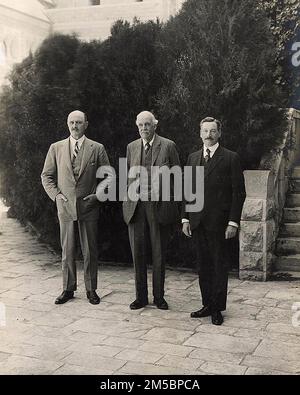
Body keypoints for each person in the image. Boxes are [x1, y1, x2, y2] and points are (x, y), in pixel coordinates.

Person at [41, 110, 111, 305]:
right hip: (65, 207)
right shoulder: (56, 148)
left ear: (86, 124)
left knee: (90, 250)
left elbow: (109, 175)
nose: (75, 126)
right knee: (68, 250)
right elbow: (46, 175)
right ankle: (68, 289)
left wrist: (97, 195)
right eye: (71, 122)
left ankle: (91, 289)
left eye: (79, 122)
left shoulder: (96, 148)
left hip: (89, 207)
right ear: (67, 124)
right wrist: (56, 195)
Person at [182, 117, 246, 325]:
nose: (208, 135)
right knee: (203, 266)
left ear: (219, 133)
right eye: (205, 131)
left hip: (219, 224)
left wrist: (233, 223)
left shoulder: (230, 158)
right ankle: (207, 304)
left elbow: (238, 193)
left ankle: (218, 308)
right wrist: (185, 218)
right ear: (200, 133)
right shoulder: (192, 158)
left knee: (219, 265)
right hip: (197, 222)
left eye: (212, 131)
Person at [123, 111, 181, 310]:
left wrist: (171, 206)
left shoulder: (168, 146)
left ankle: (159, 297)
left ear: (155, 126)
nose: (144, 128)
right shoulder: (131, 147)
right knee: (137, 253)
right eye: (140, 125)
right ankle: (140, 297)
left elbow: (177, 179)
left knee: (158, 253)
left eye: (147, 124)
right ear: (137, 126)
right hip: (136, 207)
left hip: (158, 207)